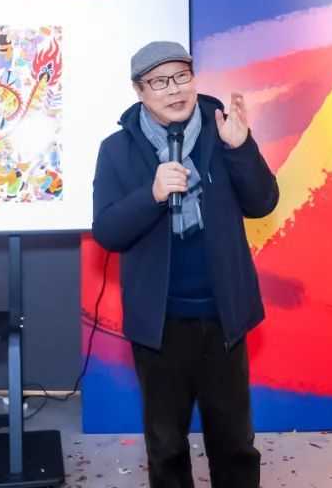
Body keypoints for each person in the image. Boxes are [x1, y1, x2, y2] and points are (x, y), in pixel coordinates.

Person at [92, 40, 280, 488]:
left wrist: (241, 148)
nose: (174, 90)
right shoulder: (117, 150)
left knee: (235, 444)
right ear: (140, 91)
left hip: (223, 317)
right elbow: (108, 232)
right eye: (160, 82)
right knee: (166, 447)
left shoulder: (222, 132)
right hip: (160, 324)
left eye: (182, 77)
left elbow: (262, 203)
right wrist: (152, 195)